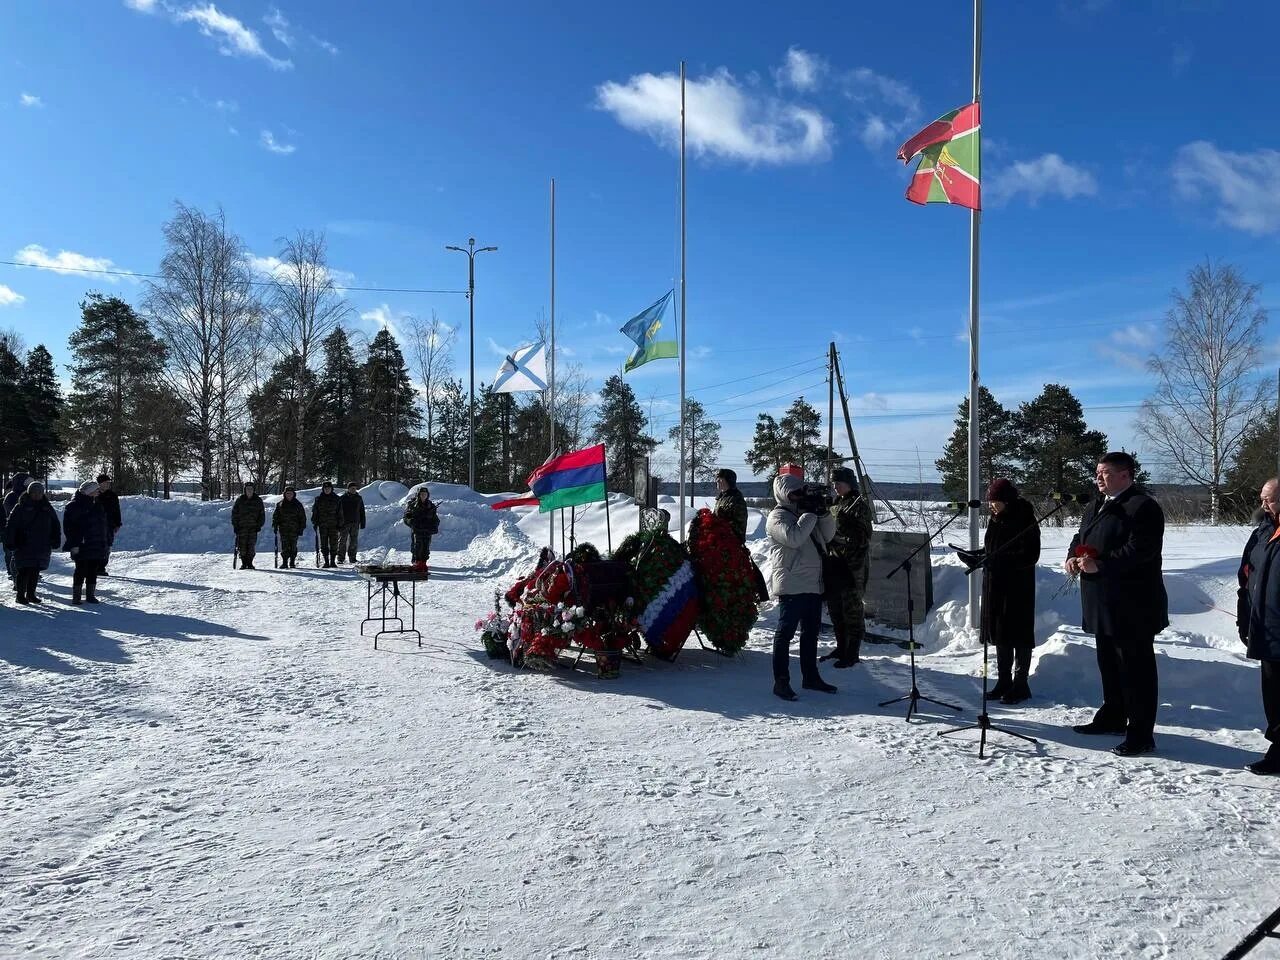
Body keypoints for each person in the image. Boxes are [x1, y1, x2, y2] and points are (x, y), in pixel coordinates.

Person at [1065, 451, 1168, 756]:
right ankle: (1112, 716)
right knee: (1109, 664)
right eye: (1097, 473)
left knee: (1136, 670)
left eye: (1106, 473)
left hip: (1133, 604)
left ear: (1126, 475)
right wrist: (1073, 556)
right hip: (1102, 601)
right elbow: (1081, 535)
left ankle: (1140, 733)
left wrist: (1104, 565)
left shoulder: (1142, 506)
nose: (1099, 478)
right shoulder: (1097, 504)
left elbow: (1142, 550)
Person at [766, 471, 838, 700]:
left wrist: (823, 513)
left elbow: (827, 536)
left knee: (811, 634)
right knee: (785, 634)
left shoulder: (805, 515)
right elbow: (794, 538)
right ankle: (781, 681)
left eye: (801, 492)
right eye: (794, 493)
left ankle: (811, 677)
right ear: (784, 494)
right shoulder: (777, 517)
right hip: (792, 582)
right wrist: (808, 513)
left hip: (813, 583)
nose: (798, 497)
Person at [978, 478, 1041, 704]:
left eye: (995, 501)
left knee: (1018, 634)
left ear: (1006, 500)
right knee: (1001, 633)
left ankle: (1020, 684)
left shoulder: (1024, 518)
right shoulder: (996, 520)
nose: (991, 506)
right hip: (995, 585)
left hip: (1018, 588)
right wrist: (978, 556)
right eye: (989, 502)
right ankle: (1004, 680)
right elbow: (992, 549)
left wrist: (999, 561)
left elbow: (1030, 555)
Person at [1240, 478, 1280, 775]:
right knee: (1274, 694)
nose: (1265, 505)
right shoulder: (1262, 532)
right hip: (1266, 626)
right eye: (1263, 499)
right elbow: (1245, 577)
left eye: (1272, 500)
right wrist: (1245, 617)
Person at [822, 466, 874, 669]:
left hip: (853, 565)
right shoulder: (836, 503)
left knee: (851, 608)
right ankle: (840, 646)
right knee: (835, 607)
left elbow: (863, 538)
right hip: (835, 563)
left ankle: (852, 652)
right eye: (834, 484)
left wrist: (840, 538)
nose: (835, 487)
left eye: (839, 484)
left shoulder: (858, 505)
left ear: (849, 484)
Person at [4, 480, 60, 605]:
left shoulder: (46, 507)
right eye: (34, 492)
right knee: (23, 571)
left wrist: (56, 539)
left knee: (35, 571)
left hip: (42, 544)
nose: (37, 495)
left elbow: (55, 524)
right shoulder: (20, 506)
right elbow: (12, 525)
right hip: (24, 543)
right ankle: (20, 595)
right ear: (29, 493)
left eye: (39, 492)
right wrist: (11, 541)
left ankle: (31, 594)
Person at [63, 480, 110, 605]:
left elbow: (102, 526)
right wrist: (74, 544)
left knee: (93, 570)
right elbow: (69, 528)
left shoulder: (97, 505)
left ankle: (90, 595)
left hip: (95, 543)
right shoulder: (74, 506)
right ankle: (76, 596)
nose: (98, 492)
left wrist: (104, 542)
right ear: (89, 491)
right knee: (80, 570)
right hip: (81, 544)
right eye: (95, 490)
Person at [3, 472, 31, 581]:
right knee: (14, 556)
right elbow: (13, 513)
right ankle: (15, 577)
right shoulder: (12, 496)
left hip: (27, 531)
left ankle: (28, 575)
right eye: (26, 482)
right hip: (14, 531)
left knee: (27, 555)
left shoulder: (27, 495)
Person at [403, 486, 439, 572]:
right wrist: (412, 522)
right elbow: (406, 517)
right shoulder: (412, 505)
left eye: (425, 494)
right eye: (422, 494)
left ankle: (423, 563)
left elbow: (435, 519)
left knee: (426, 547)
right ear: (418, 495)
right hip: (417, 530)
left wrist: (434, 526)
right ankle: (417, 562)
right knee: (417, 547)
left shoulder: (431, 506)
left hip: (427, 530)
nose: (423, 496)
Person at [231, 481, 265, 570]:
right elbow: (234, 514)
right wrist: (235, 526)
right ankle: (243, 563)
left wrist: (259, 525)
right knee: (242, 546)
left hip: (253, 528)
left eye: (251, 489)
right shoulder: (240, 500)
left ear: (253, 490)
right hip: (242, 528)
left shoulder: (258, 500)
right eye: (247, 489)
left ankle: (250, 563)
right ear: (244, 490)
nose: (249, 490)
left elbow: (262, 515)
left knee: (251, 546)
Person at [272, 485, 307, 569]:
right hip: (283, 529)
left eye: (291, 493)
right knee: (284, 546)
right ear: (284, 494)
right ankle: (284, 562)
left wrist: (301, 528)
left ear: (293, 494)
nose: (289, 495)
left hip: (294, 530)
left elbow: (302, 518)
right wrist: (275, 525)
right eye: (287, 493)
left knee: (293, 546)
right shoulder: (280, 504)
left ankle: (292, 562)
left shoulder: (298, 504)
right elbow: (275, 516)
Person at [311, 481, 342, 568]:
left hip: (334, 525)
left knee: (334, 543)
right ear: (323, 489)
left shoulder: (337, 499)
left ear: (331, 489)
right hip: (323, 525)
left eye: (328, 488)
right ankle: (326, 561)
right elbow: (315, 512)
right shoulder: (318, 499)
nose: (327, 490)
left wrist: (340, 524)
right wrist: (314, 522)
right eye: (325, 488)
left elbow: (340, 512)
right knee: (324, 544)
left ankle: (332, 561)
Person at [95, 473, 122, 575]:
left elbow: (116, 510)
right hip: (96, 526)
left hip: (109, 525)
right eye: (106, 482)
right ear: (100, 483)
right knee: (96, 546)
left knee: (107, 546)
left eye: (109, 482)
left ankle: (101, 567)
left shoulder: (112, 495)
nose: (108, 484)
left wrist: (118, 523)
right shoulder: (94, 494)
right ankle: (94, 566)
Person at [713, 468, 748, 543]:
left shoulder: (736, 499)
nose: (717, 481)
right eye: (717, 479)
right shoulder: (721, 498)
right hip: (719, 541)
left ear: (729, 481)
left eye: (721, 479)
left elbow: (740, 526)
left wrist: (722, 521)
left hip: (731, 544)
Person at [338, 482, 367, 564]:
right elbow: (338, 512)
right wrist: (339, 522)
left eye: (355, 488)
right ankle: (340, 558)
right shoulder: (342, 498)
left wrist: (363, 522)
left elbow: (362, 511)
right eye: (352, 488)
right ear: (348, 489)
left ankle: (352, 557)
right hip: (344, 523)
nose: (353, 489)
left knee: (353, 541)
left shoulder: (359, 498)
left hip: (355, 523)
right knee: (342, 541)